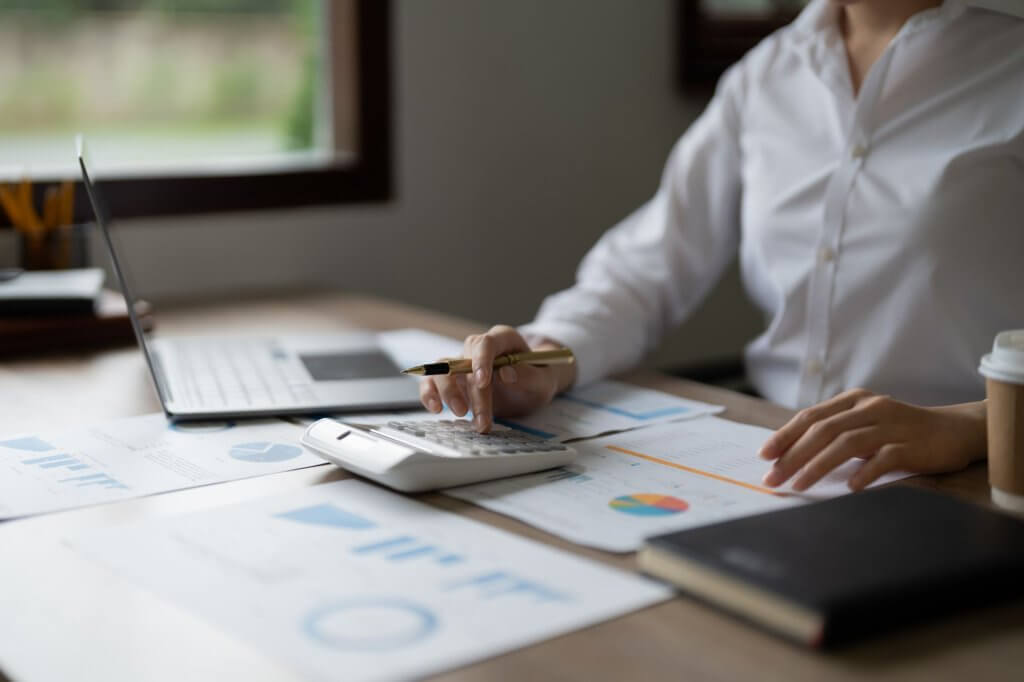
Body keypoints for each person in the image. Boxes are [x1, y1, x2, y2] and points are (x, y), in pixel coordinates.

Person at [418, 0, 1024, 492]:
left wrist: (974, 426)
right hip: (775, 463)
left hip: (977, 480)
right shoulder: (766, 75)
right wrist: (541, 362)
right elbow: (645, 269)